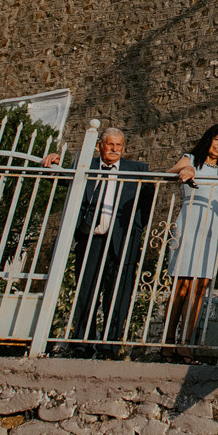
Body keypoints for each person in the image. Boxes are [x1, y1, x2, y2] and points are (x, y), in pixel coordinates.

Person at [64, 127, 154, 354]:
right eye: (110, 144)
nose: (115, 149)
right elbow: (62, 179)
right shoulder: (86, 164)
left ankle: (110, 343)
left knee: (118, 291)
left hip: (121, 240)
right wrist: (52, 161)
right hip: (91, 238)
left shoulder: (138, 170)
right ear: (100, 146)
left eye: (119, 145)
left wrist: (134, 228)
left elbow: (147, 202)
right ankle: (82, 343)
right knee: (87, 290)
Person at [164, 124, 218, 357]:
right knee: (181, 285)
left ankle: (185, 341)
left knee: (200, 285)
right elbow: (169, 172)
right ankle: (167, 341)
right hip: (189, 222)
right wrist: (187, 171)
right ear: (208, 139)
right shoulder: (191, 159)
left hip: (211, 226)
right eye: (217, 139)